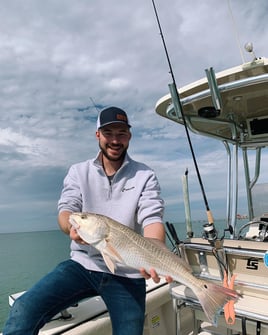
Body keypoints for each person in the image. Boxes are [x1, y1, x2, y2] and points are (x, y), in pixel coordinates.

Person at [3, 106, 170, 335]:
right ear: (97, 135)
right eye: (108, 133)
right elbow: (67, 210)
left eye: (121, 133)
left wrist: (155, 254)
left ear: (129, 136)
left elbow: (152, 217)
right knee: (23, 309)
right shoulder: (78, 171)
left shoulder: (145, 175)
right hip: (83, 265)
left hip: (128, 272)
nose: (115, 140)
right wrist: (70, 227)